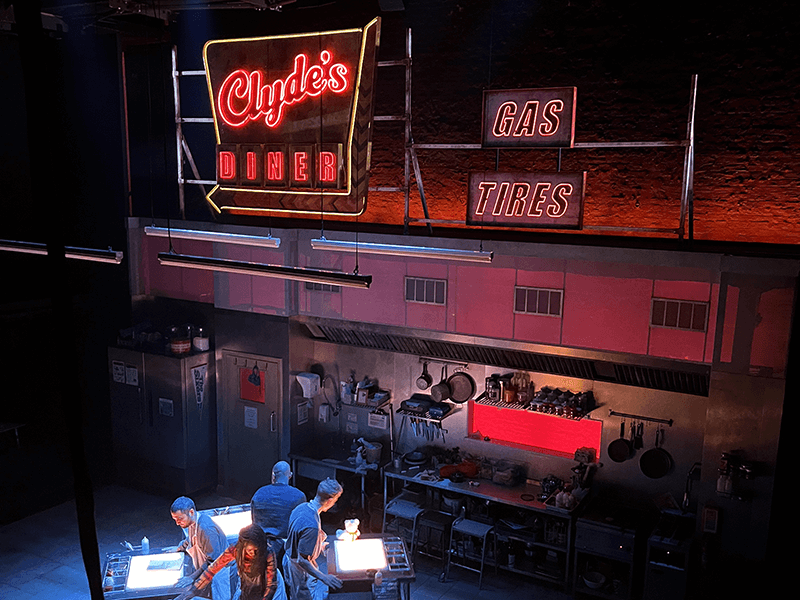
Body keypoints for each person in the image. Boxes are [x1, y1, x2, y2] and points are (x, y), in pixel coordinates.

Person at [173, 524, 287, 600]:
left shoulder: (268, 557)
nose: (252, 555)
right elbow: (212, 569)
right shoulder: (236, 550)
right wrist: (193, 591)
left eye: (255, 551)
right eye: (249, 551)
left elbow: (271, 587)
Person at [282, 478, 344, 600]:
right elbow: (302, 560)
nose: (334, 504)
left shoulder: (302, 507)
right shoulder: (312, 526)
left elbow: (299, 537)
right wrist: (324, 577)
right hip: (300, 571)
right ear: (330, 500)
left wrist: (320, 545)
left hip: (290, 561)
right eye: (335, 500)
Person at [170, 497, 232, 600]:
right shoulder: (191, 523)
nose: (177, 523)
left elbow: (213, 561)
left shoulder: (206, 529)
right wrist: (179, 548)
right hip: (206, 572)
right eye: (175, 519)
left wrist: (192, 577)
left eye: (180, 518)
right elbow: (190, 539)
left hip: (218, 574)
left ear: (191, 512)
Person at [251, 461, 306, 562]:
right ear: (290, 475)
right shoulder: (298, 496)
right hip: (287, 551)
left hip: (260, 546)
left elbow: (254, 522)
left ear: (273, 475)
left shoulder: (259, 493)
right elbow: (300, 526)